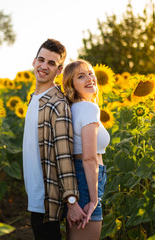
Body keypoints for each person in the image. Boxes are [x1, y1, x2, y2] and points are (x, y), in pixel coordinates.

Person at [22, 39, 86, 240]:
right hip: (36, 195)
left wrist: (72, 200)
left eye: (51, 63)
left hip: (47, 199)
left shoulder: (57, 104)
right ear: (34, 61)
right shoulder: (35, 98)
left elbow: (64, 154)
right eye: (41, 60)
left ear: (59, 70)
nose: (43, 66)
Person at [62, 59, 110, 240]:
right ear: (71, 85)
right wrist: (94, 199)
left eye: (90, 73)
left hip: (79, 177)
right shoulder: (89, 108)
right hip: (88, 179)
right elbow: (89, 158)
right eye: (81, 76)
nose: (90, 78)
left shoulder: (73, 108)